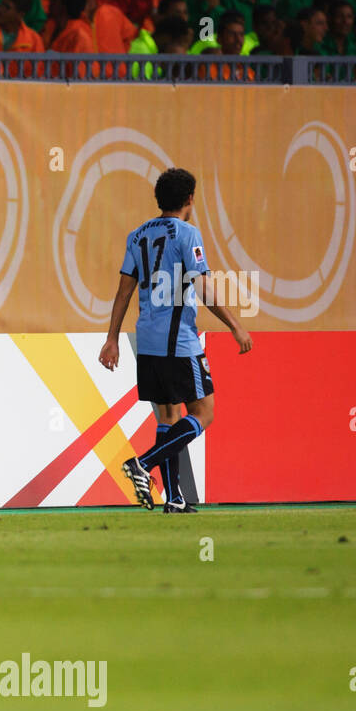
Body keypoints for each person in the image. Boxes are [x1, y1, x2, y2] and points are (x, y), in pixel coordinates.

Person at [99, 168, 253, 512]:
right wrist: (235, 326)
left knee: (167, 417)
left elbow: (124, 291)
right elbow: (204, 288)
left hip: (148, 339)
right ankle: (142, 462)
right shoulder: (188, 234)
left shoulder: (137, 235)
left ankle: (175, 498)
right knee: (204, 412)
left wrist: (112, 338)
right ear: (189, 199)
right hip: (178, 340)